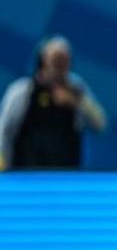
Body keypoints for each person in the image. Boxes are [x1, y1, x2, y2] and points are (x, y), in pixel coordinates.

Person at [0, 36, 106, 170]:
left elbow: (100, 124)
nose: (60, 68)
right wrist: (4, 166)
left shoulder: (77, 88)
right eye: (56, 61)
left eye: (64, 62)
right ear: (43, 61)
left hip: (65, 175)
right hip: (26, 174)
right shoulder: (23, 90)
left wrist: (76, 102)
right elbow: (5, 130)